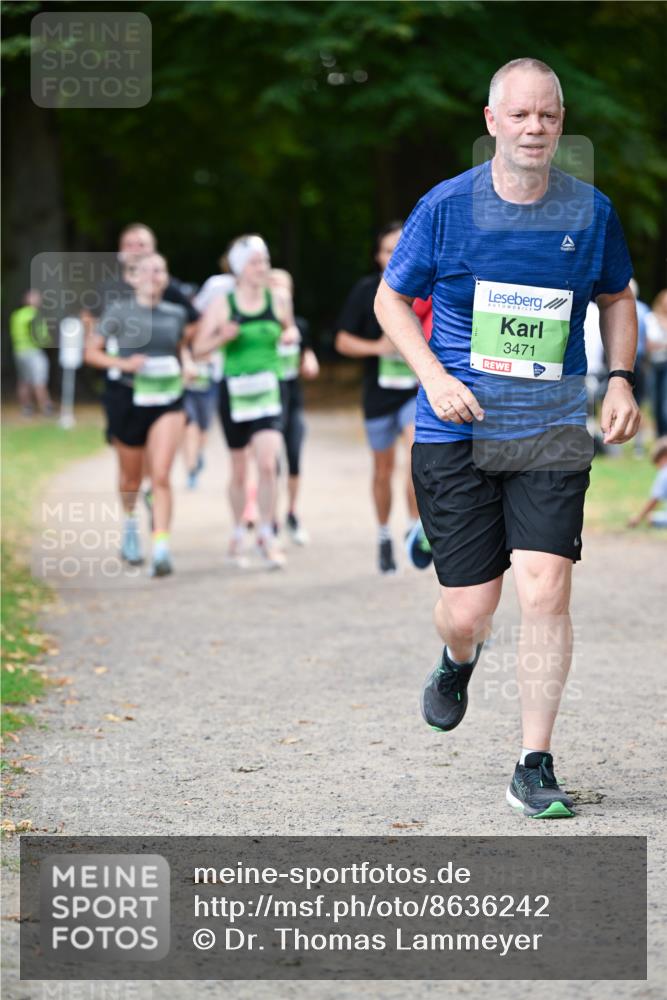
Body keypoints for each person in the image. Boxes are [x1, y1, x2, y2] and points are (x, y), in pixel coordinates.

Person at [375, 57, 640, 818]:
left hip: (550, 423)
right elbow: (394, 302)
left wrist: (618, 377)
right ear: (491, 121)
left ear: (561, 123)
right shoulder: (445, 209)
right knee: (469, 610)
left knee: (545, 586)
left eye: (547, 116)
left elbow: (616, 297)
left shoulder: (589, 213)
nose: (534, 128)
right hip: (455, 424)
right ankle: (458, 659)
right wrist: (433, 376)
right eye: (519, 115)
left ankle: (533, 761)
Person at [84, 253, 195, 577]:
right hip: (127, 398)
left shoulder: (176, 314)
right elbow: (92, 352)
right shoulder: (118, 311)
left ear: (165, 277)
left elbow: (181, 348)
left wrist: (187, 363)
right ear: (132, 278)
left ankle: (161, 547)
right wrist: (123, 365)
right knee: (131, 478)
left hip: (166, 398)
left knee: (160, 474)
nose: (152, 275)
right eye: (145, 270)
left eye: (159, 270)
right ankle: (130, 523)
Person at [194, 235, 295, 569]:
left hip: (269, 388)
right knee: (239, 469)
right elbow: (197, 349)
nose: (261, 267)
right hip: (234, 391)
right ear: (239, 268)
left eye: (264, 261)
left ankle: (267, 531)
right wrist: (221, 337)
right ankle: (239, 530)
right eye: (254, 262)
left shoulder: (278, 298)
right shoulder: (223, 303)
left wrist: (291, 335)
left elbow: (288, 329)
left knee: (268, 463)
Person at [335, 222, 424, 574]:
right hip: (378, 395)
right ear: (378, 257)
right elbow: (342, 341)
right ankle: (384, 534)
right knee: (382, 470)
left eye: (400, 247)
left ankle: (414, 529)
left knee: (418, 457)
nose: (394, 255)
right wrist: (378, 347)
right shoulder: (367, 291)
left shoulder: (426, 287)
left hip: (414, 393)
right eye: (388, 250)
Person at [268, 268, 320, 544]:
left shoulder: (299, 325)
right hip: (267, 404)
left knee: (294, 459)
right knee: (270, 464)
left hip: (294, 402)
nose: (277, 289)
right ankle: (271, 519)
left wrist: (310, 361)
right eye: (272, 283)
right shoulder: (261, 325)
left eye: (282, 285)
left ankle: (291, 513)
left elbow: (307, 354)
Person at [10, 290, 53, 416]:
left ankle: (26, 408)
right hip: (33, 351)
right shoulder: (35, 315)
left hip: (19, 351)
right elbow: (40, 336)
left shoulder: (17, 315)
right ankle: (46, 407)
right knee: (40, 380)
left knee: (24, 380)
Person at [628, 436, 667, 528]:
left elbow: (655, 499)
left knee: (651, 518)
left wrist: (638, 518)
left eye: (658, 464)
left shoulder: (664, 473)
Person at [646, 289, 667, 436]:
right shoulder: (651, 318)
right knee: (655, 401)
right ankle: (660, 435)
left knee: (665, 401)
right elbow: (649, 344)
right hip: (654, 363)